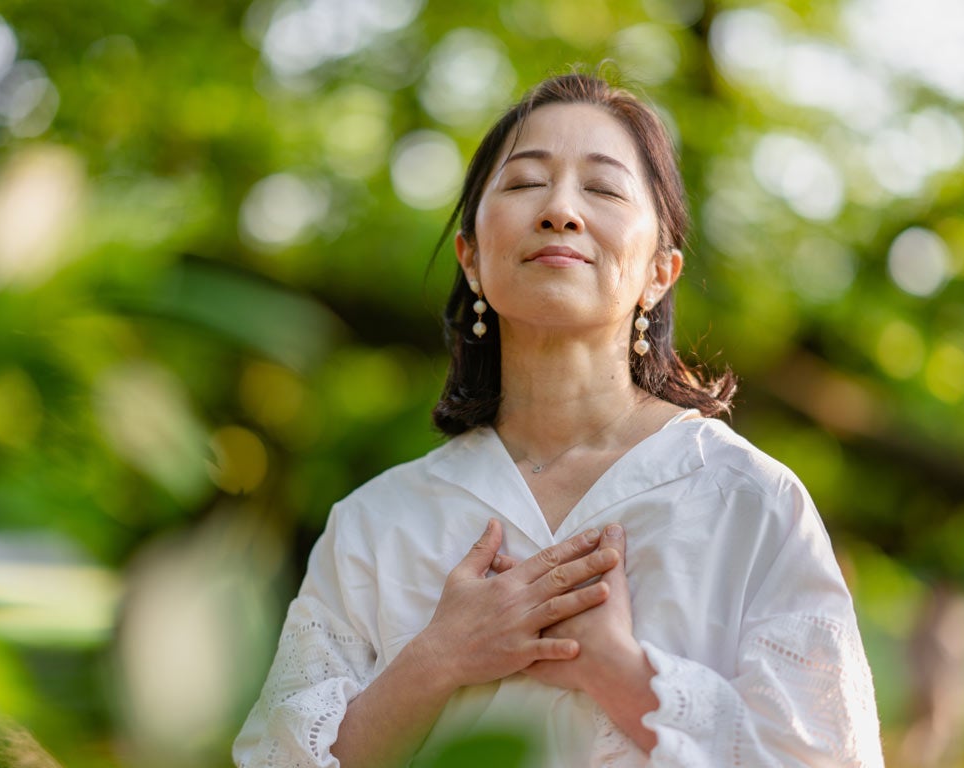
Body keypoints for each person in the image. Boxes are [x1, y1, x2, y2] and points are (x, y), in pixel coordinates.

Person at [234, 72, 884, 767]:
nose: (560, 211)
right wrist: (438, 659)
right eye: (523, 184)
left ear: (660, 272)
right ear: (472, 258)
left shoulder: (750, 502)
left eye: (602, 188)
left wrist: (620, 671)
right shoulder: (374, 523)